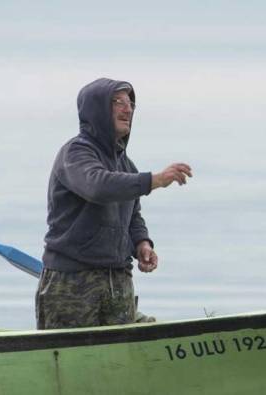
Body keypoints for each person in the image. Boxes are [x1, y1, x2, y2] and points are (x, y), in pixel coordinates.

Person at [36, 78, 192, 329]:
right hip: (73, 282)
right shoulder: (75, 154)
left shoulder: (126, 165)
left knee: (122, 360)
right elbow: (97, 186)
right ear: (96, 109)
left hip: (118, 280)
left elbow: (132, 216)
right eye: (117, 102)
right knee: (75, 361)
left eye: (130, 103)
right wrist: (156, 180)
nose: (127, 109)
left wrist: (141, 243)